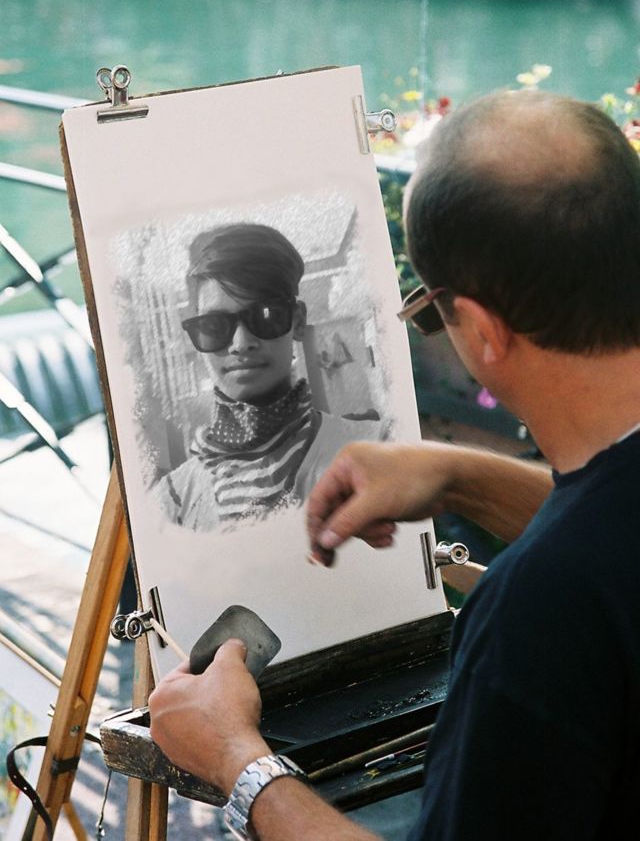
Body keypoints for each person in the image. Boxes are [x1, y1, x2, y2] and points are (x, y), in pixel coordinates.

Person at [148, 89, 640, 840]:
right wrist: (460, 475)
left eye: (430, 313)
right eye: (215, 325)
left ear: (480, 330)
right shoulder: (582, 569)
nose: (242, 342)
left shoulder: (533, 618)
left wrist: (238, 762)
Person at [152, 222, 379, 531]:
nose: (241, 343)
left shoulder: (378, 450)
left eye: (265, 315)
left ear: (298, 321)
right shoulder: (170, 503)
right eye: (215, 325)